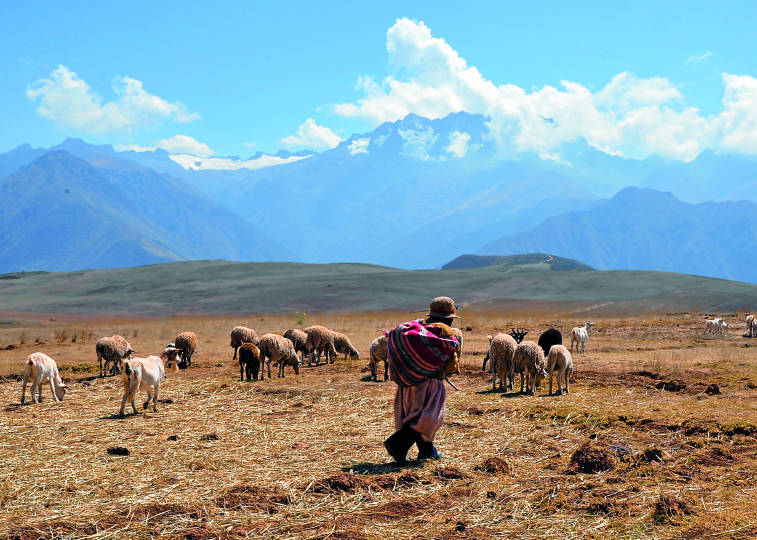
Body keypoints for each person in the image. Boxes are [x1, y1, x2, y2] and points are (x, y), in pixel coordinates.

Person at [383, 296, 461, 465]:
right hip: (430, 384)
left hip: (407, 385)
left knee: (413, 417)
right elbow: (451, 363)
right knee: (430, 419)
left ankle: (427, 452)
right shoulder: (444, 332)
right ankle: (397, 445)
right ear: (449, 318)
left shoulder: (418, 330)